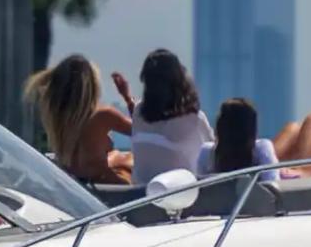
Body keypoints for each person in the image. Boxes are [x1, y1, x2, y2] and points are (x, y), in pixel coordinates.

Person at [27, 52, 134, 186]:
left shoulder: (57, 117)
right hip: (105, 184)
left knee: (117, 157)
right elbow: (144, 131)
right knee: (128, 158)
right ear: (92, 86)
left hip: (74, 184)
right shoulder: (102, 115)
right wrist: (128, 98)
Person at [120, 49, 209, 185]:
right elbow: (212, 157)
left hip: (138, 199)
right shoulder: (194, 119)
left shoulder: (138, 112)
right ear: (180, 80)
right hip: (182, 200)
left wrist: (128, 98)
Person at [192, 97, 284, 217]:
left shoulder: (207, 152)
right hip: (256, 207)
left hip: (221, 210)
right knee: (300, 127)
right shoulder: (262, 148)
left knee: (293, 130)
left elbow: (202, 191)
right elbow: (273, 184)